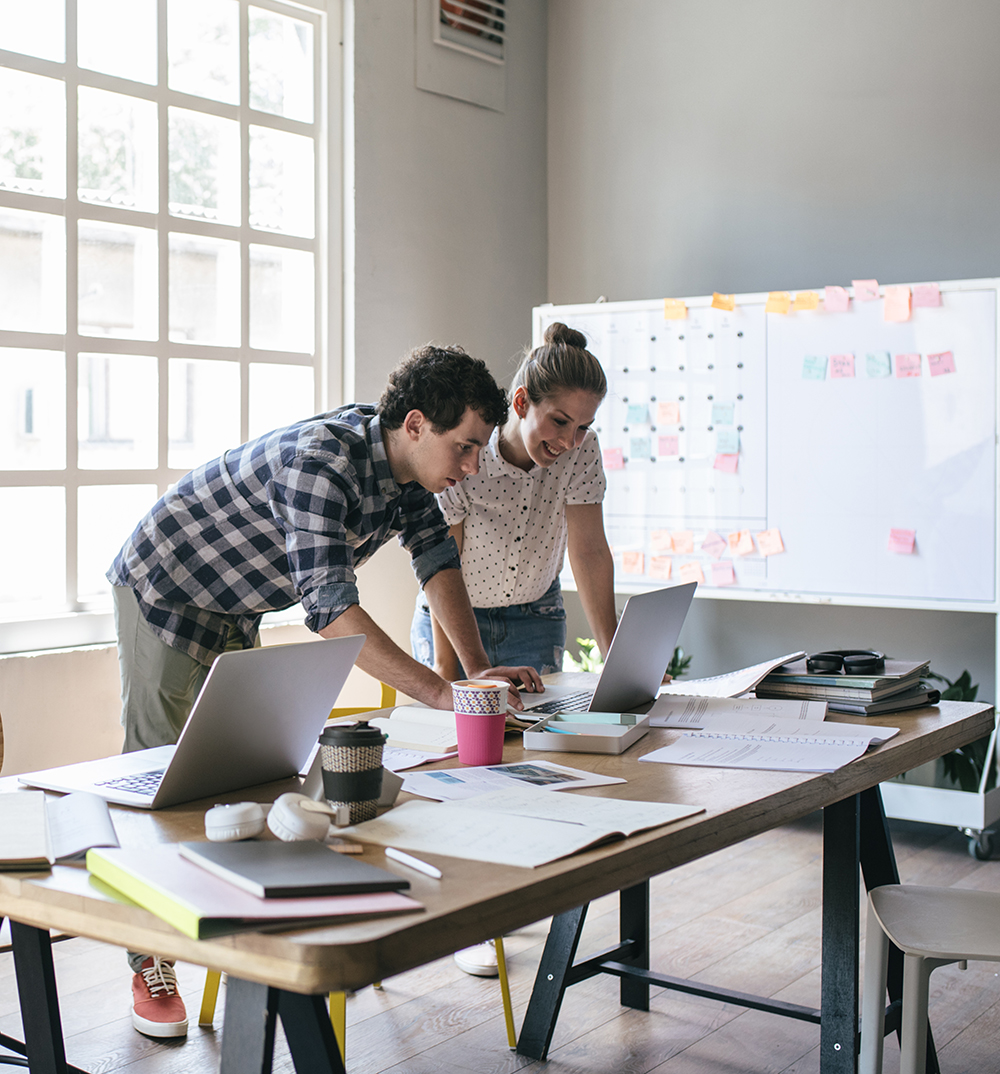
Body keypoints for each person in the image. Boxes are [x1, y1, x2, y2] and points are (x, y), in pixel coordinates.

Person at [107, 344, 543, 1038]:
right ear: (417, 425)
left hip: (234, 603)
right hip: (165, 586)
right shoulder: (325, 459)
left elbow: (437, 561)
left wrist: (473, 671)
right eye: (464, 448)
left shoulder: (407, 475)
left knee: (238, 775)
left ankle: (237, 938)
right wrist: (438, 695)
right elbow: (331, 610)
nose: (469, 467)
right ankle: (147, 960)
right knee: (162, 780)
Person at [410, 322, 618, 976]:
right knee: (469, 774)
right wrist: (455, 687)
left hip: (535, 616)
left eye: (582, 427)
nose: (568, 441)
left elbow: (587, 549)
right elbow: (443, 565)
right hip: (459, 619)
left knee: (537, 773)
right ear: (522, 402)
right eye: (559, 422)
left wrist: (616, 658)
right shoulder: (467, 455)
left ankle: (514, 900)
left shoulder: (581, 453)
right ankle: (467, 919)